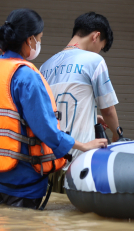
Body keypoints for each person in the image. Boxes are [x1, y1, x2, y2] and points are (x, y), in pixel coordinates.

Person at [0, 9, 107, 209]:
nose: (39, 44)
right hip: (24, 183)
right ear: (29, 40)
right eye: (39, 38)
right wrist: (84, 146)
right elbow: (46, 129)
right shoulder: (26, 76)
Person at [40, 12, 120, 166]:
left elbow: (52, 109)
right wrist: (117, 135)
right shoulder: (94, 61)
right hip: (79, 159)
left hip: (49, 159)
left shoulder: (45, 66)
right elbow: (108, 110)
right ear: (95, 36)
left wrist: (90, 116)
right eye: (100, 48)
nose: (98, 52)